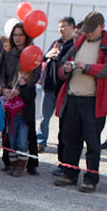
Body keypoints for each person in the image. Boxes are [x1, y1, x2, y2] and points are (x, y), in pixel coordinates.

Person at [53, 11, 107, 193]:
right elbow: (62, 67)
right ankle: (70, 174)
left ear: (102, 27)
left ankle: (91, 179)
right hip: (73, 97)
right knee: (70, 139)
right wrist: (66, 69)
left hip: (92, 101)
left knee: (92, 142)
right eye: (86, 30)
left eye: (91, 30)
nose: (88, 33)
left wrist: (88, 67)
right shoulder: (78, 43)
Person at [0, 22, 40, 177]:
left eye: (21, 35)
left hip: (25, 103)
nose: (18, 38)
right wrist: (4, 89)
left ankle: (24, 164)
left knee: (23, 137)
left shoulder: (33, 55)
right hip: (9, 102)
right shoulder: (8, 55)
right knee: (9, 135)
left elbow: (34, 79)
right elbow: (2, 75)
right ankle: (11, 163)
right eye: (15, 35)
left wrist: (20, 89)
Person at [38, 16, 76, 151]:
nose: (61, 29)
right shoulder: (56, 43)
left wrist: (59, 58)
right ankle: (41, 141)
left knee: (64, 120)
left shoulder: (75, 45)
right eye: (59, 26)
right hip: (49, 85)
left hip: (63, 87)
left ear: (72, 27)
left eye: (64, 26)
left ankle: (62, 145)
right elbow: (43, 58)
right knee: (44, 116)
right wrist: (48, 55)